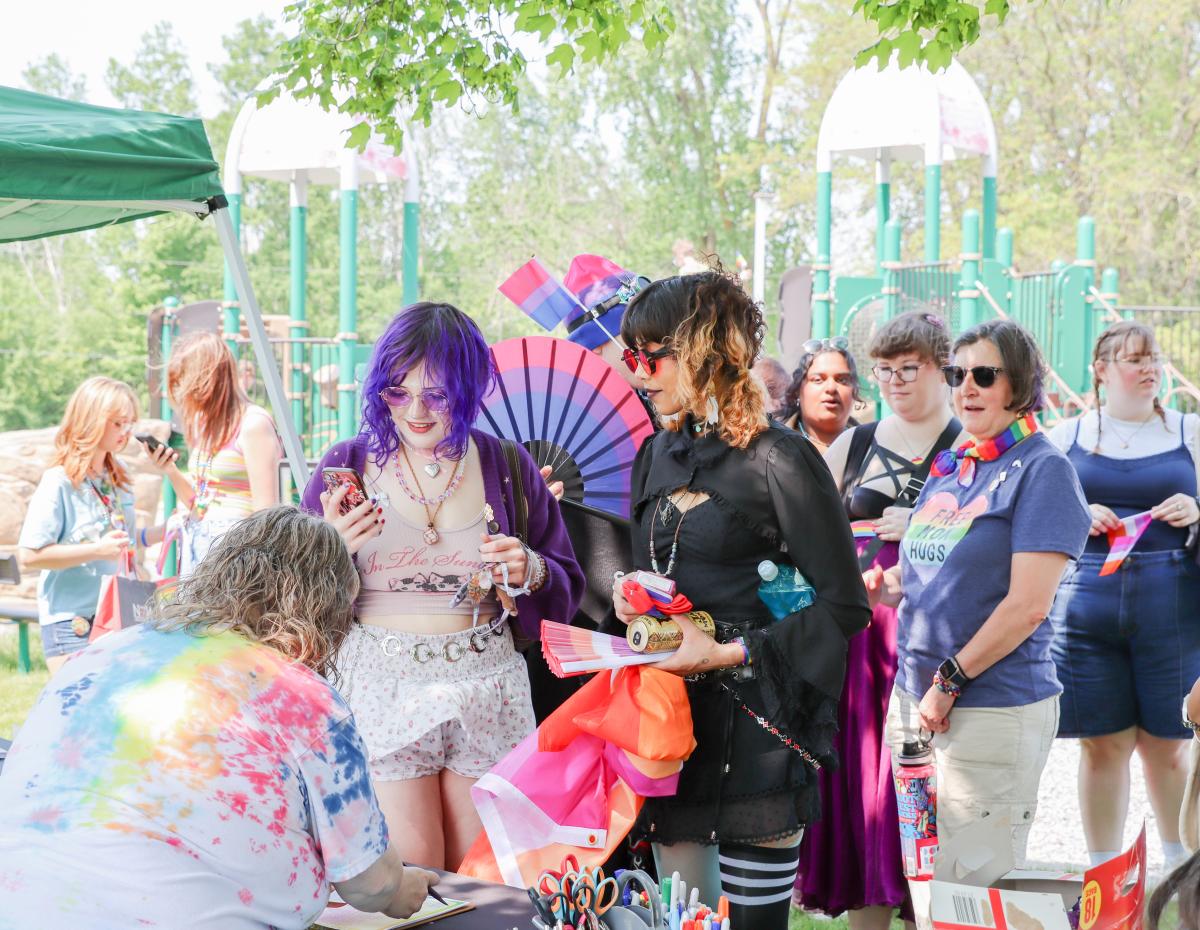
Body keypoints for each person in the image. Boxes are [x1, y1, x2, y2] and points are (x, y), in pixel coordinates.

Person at [0, 506, 440, 930]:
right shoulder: (300, 696)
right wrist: (401, 887)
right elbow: (370, 882)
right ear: (326, 613)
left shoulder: (104, 651)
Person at [610, 272, 870, 930]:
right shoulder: (654, 454)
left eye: (650, 355)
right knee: (686, 925)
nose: (636, 372)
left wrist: (725, 651)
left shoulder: (779, 459)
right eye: (629, 355)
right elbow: (661, 572)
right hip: (673, 727)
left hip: (761, 728)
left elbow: (845, 605)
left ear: (703, 349)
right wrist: (631, 598)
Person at [301, 302, 584, 871]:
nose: (416, 411)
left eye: (437, 394)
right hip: (383, 686)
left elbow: (566, 584)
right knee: (410, 876)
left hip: (488, 687)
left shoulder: (508, 465)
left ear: (471, 386)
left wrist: (529, 569)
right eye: (397, 393)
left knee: (484, 878)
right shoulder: (347, 465)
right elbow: (292, 599)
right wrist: (329, 546)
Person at [870, 318, 1092, 862]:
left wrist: (950, 679)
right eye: (957, 373)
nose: (966, 386)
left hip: (990, 707)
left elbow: (1028, 607)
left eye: (984, 375)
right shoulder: (954, 466)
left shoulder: (1044, 470)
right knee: (925, 879)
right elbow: (924, 579)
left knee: (973, 888)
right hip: (914, 705)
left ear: (1017, 384)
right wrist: (884, 585)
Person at [798, 312, 965, 928]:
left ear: (941, 368)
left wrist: (924, 526)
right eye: (885, 369)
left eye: (909, 367)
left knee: (935, 791)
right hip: (864, 642)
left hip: (938, 638)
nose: (895, 380)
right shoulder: (855, 442)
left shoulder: (968, 441)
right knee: (868, 790)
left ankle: (937, 913)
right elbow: (816, 537)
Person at [1046, 321, 1200, 868]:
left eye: (1153, 357)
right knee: (1102, 744)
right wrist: (1077, 513)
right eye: (1135, 358)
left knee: (1169, 746)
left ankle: (1181, 873)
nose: (1149, 368)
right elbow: (1038, 518)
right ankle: (1104, 876)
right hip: (1087, 606)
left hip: (1173, 606)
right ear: (1102, 370)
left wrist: (1198, 511)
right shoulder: (1066, 437)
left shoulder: (1190, 430)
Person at [18, 376, 174, 674]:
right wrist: (97, 550)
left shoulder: (119, 474)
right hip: (73, 622)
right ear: (91, 420)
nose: (126, 431)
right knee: (77, 715)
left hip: (119, 614)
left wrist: (163, 530)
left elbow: (123, 539)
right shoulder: (60, 480)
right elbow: (30, 556)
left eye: (129, 422)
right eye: (117, 423)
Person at [153, 330, 282, 575]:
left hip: (236, 558)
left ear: (208, 380)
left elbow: (266, 513)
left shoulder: (253, 424)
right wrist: (169, 470)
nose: (182, 393)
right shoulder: (205, 424)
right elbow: (199, 502)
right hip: (201, 550)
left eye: (185, 383)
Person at [781, 337, 862, 453]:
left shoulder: (873, 447)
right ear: (798, 389)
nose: (831, 388)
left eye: (842, 380)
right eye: (818, 379)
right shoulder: (775, 449)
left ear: (855, 389)